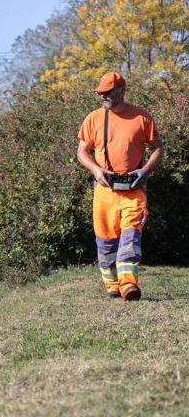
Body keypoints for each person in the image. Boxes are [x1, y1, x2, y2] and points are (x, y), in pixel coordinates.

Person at [76, 72, 164, 301]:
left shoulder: (142, 117)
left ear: (121, 90)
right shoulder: (93, 118)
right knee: (105, 242)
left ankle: (129, 285)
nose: (103, 96)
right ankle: (113, 286)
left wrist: (144, 172)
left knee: (131, 237)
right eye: (100, 93)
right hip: (104, 191)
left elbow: (158, 148)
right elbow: (82, 151)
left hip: (134, 190)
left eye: (107, 92)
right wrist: (96, 170)